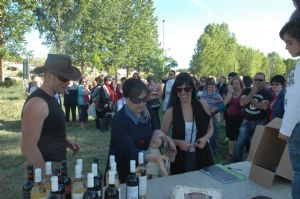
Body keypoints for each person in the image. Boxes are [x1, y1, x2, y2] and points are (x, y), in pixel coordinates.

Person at [107, 78, 175, 183]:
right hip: (124, 174)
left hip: (145, 172)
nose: (141, 104)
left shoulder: (147, 111)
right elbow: (129, 152)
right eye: (136, 100)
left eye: (144, 99)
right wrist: (154, 157)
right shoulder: (119, 120)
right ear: (125, 98)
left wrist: (158, 139)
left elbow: (156, 129)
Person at [21, 54, 81, 174]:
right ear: (48, 75)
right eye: (64, 78)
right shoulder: (38, 103)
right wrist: (46, 180)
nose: (68, 82)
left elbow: (47, 129)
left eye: (69, 78)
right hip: (45, 168)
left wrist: (65, 140)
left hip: (56, 166)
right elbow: (28, 148)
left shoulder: (51, 98)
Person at [161, 72, 214, 175]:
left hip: (203, 155)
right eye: (179, 89)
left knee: (203, 184)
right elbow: (162, 136)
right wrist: (177, 142)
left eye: (187, 89)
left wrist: (204, 139)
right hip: (180, 158)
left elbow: (211, 128)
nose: (183, 92)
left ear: (193, 89)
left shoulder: (203, 105)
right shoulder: (171, 111)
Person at [278, 16, 300, 199]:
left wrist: (286, 128)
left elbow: (296, 98)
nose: (286, 47)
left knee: (299, 172)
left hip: (297, 126)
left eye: (290, 42)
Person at [232, 72, 272, 162]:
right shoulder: (247, 90)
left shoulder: (267, 93)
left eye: (260, 80)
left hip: (260, 122)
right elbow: (242, 103)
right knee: (239, 144)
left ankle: (252, 165)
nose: (257, 81)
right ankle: (235, 164)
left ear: (264, 81)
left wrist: (251, 101)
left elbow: (264, 107)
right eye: (255, 79)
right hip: (247, 121)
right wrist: (252, 93)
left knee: (257, 146)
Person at [200, 80, 225, 156]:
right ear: (207, 88)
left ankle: (213, 151)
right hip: (204, 117)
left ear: (215, 88)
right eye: (209, 87)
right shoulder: (203, 95)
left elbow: (223, 107)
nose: (211, 89)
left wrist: (216, 108)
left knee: (213, 135)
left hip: (214, 118)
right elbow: (200, 105)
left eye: (212, 87)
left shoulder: (218, 96)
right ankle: (204, 148)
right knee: (203, 133)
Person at [223, 76, 244, 160]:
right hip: (230, 117)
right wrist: (230, 94)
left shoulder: (243, 93)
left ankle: (238, 154)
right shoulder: (230, 93)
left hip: (240, 118)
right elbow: (224, 103)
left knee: (239, 138)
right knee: (230, 136)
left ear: (240, 84)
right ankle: (230, 153)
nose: (235, 85)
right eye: (233, 84)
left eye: (236, 83)